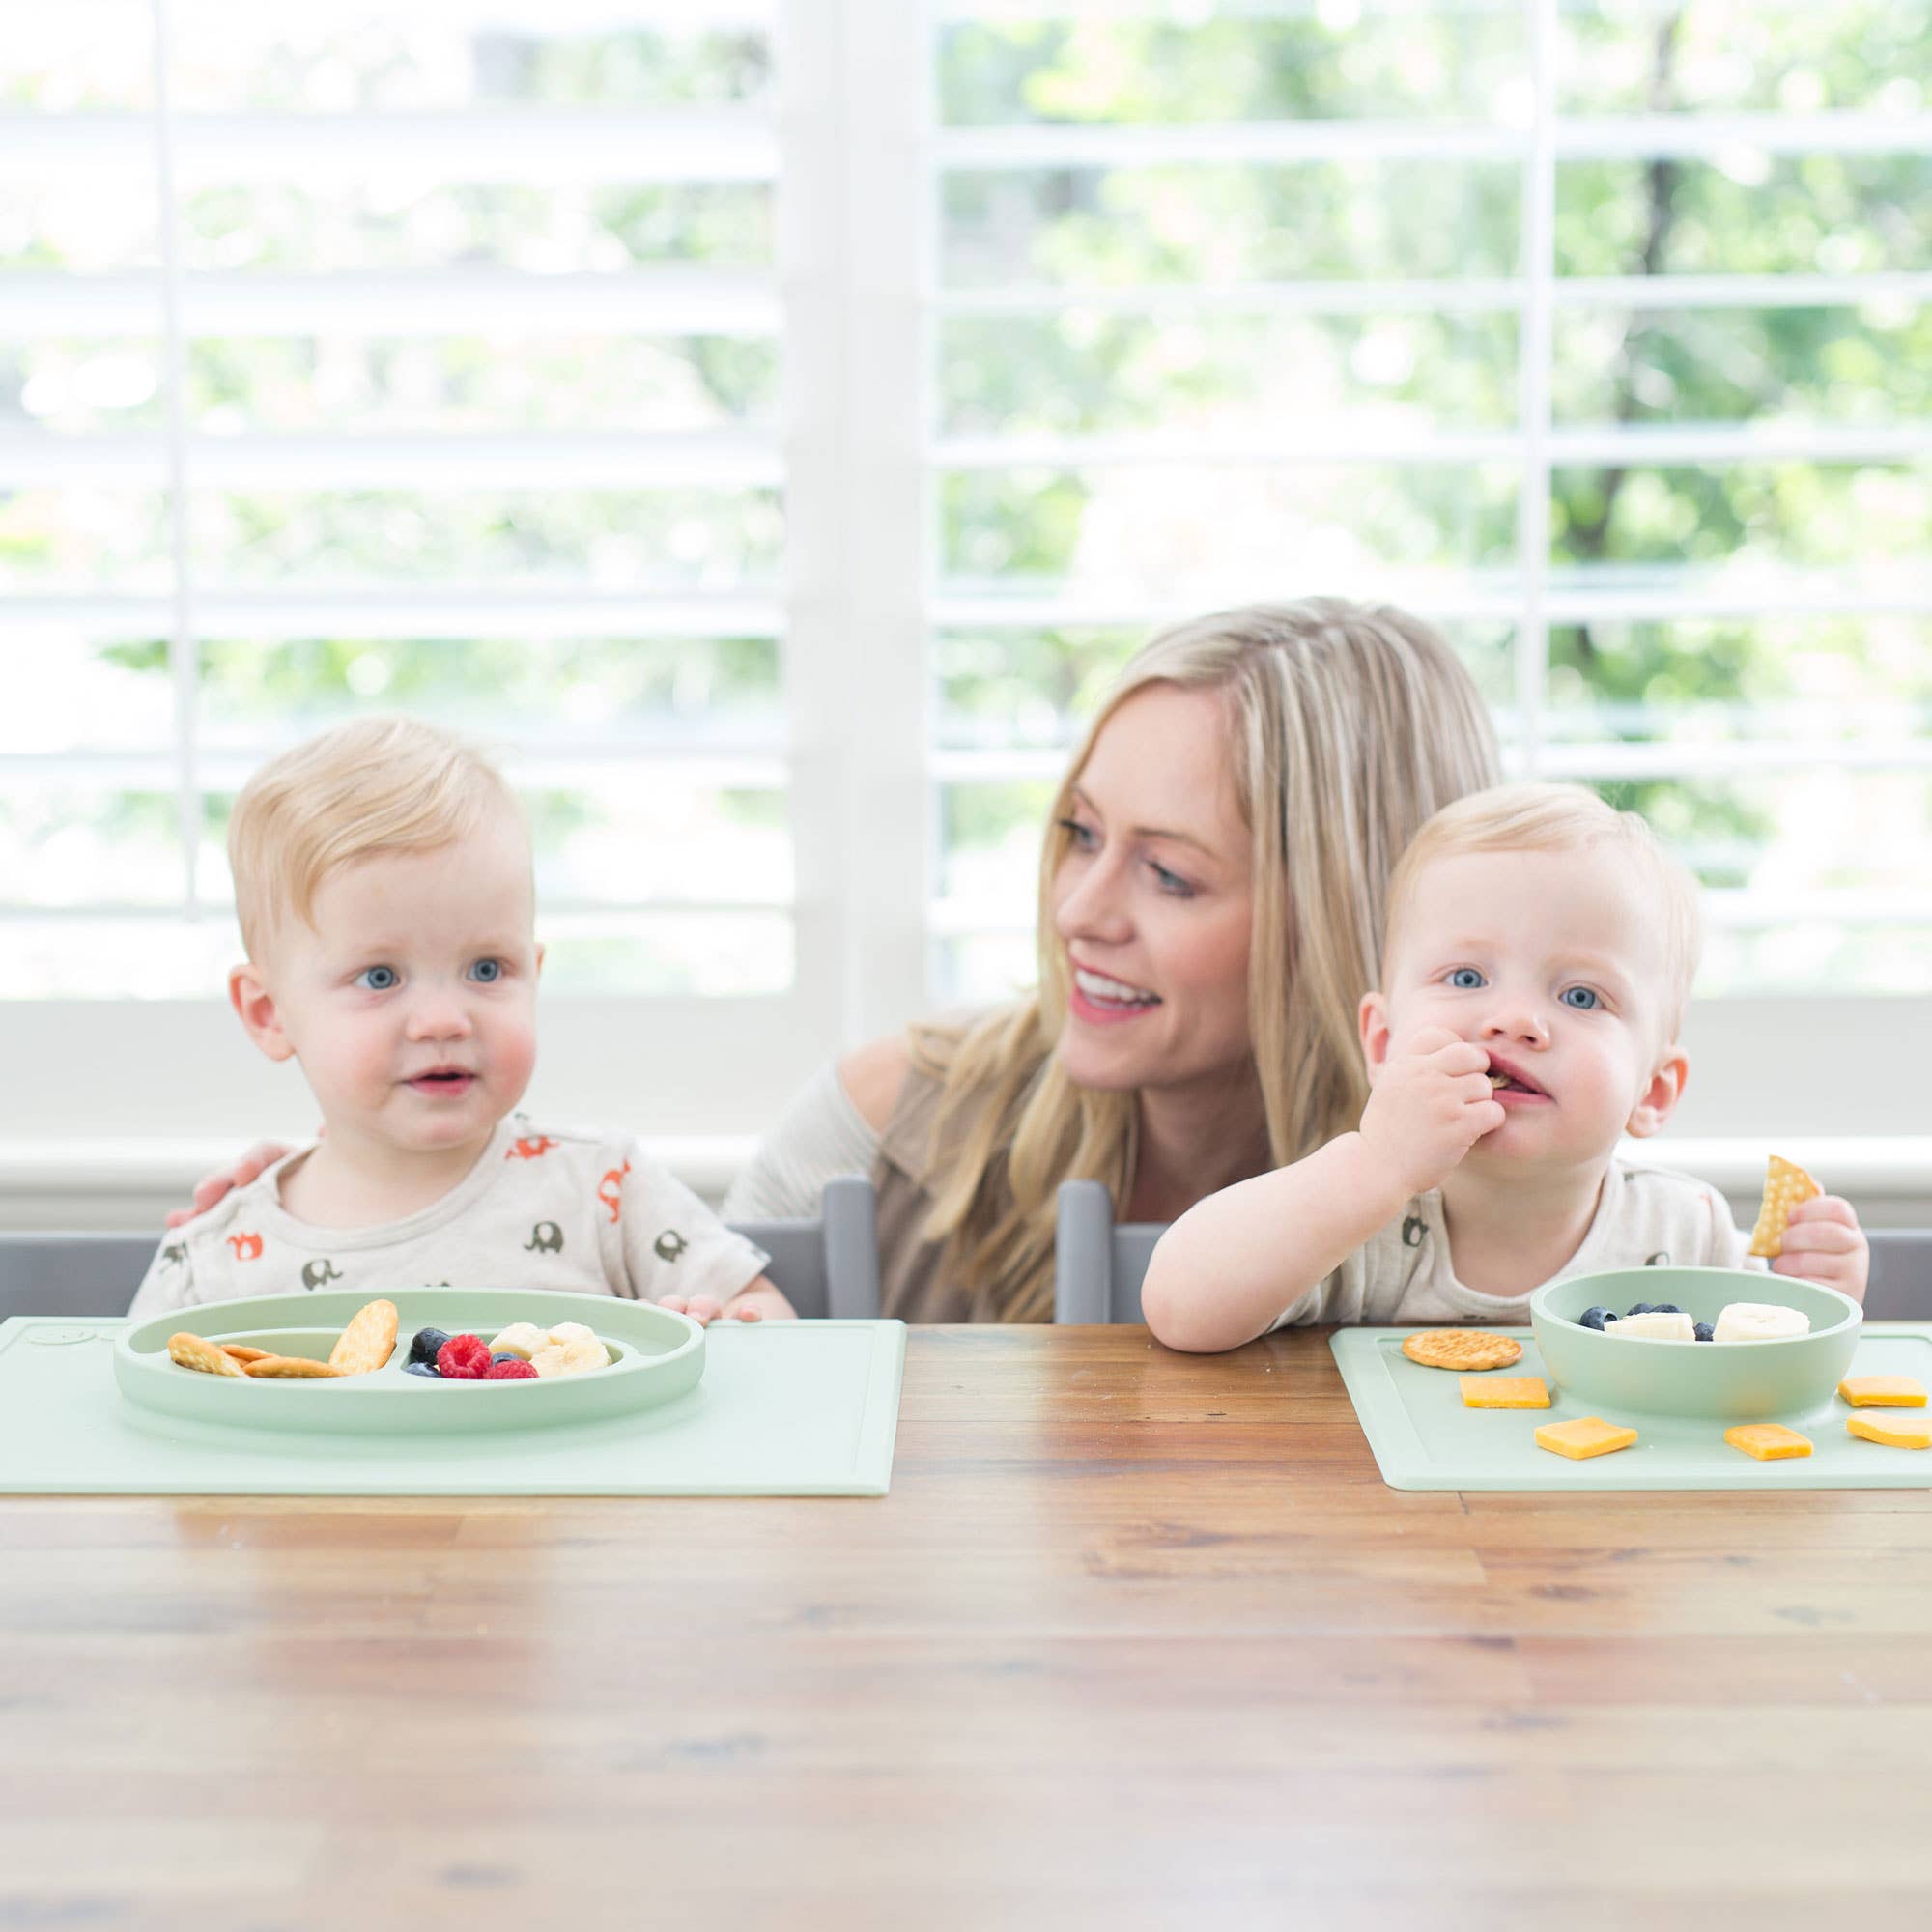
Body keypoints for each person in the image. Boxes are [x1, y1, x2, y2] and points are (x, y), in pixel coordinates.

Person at [171, 599, 1502, 1323]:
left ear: (1346, 921)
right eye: (1077, 836)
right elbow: (698, 1345)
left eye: (1169, 873)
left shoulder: (1503, 1186)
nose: (1080, 911)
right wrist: (345, 1197)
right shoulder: (890, 1131)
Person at [1138, 782, 1870, 1352]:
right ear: (1385, 1045)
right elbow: (1179, 1309)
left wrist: (1816, 1298)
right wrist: (1376, 1165)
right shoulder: (1354, 1216)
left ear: (1651, 1091)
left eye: (1581, 995)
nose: (1514, 1019)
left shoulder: (1686, 1230)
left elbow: (1758, 1373)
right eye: (1465, 979)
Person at [131, 718, 788, 1323]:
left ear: (534, 972)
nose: (443, 1021)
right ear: (269, 1014)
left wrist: (722, 1335)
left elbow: (771, 1322)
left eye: (485, 969)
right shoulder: (213, 1264)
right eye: (379, 978)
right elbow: (135, 1432)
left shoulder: (604, 1190)